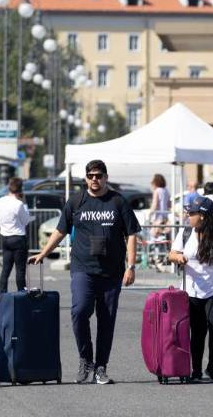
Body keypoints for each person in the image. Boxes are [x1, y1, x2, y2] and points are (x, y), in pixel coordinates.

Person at [30, 160, 141, 385]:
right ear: (86, 178)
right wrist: (43, 253)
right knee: (79, 312)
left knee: (106, 321)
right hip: (83, 269)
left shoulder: (118, 201)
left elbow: (131, 234)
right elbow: (61, 230)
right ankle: (85, 359)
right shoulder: (77, 201)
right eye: (90, 175)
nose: (94, 179)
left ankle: (101, 367)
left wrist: (131, 266)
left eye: (98, 175)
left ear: (106, 177)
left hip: (111, 272)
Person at [168, 196, 213, 382]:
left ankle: (212, 367)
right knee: (197, 331)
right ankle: (196, 370)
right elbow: (172, 254)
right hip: (191, 291)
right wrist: (179, 258)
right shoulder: (185, 232)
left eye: (191, 213)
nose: (188, 215)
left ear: (203, 216)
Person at [0, 177, 32, 295]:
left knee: (6, 269)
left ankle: (2, 294)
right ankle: (21, 294)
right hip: (18, 237)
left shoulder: (0, 201)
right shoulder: (19, 204)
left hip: (5, 237)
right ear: (20, 189)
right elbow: (26, 220)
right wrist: (25, 203)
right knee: (20, 270)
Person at [148, 174, 170, 239]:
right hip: (165, 216)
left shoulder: (157, 191)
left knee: (153, 235)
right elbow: (169, 204)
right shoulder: (166, 191)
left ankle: (155, 248)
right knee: (163, 234)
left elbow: (155, 204)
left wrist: (150, 213)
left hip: (158, 216)